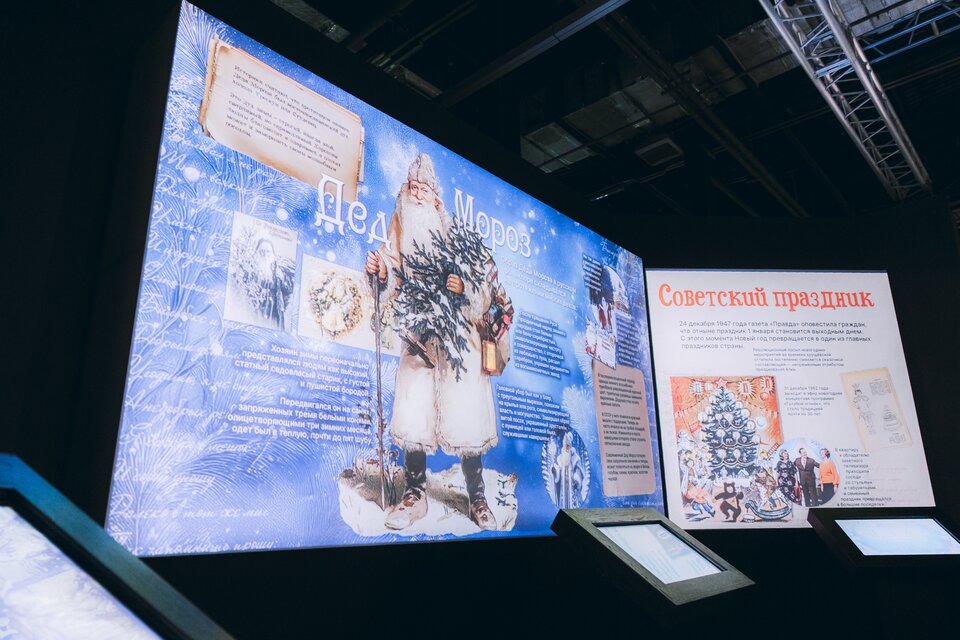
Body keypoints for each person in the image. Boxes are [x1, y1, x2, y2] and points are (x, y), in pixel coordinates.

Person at [366, 153, 512, 531]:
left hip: (459, 341)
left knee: (466, 417)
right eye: (412, 187)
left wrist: (464, 288)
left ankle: (477, 498)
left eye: (424, 189)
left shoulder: (456, 232)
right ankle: (414, 494)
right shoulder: (399, 225)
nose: (417, 194)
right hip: (419, 333)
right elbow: (390, 268)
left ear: (435, 195)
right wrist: (380, 273)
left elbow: (486, 284)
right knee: (414, 412)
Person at [551, 432, 585, 508]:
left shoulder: (575, 457)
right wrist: (555, 470)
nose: (566, 447)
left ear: (570, 445)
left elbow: (579, 471)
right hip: (563, 485)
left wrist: (576, 479)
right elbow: (558, 472)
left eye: (568, 445)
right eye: (565, 445)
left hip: (572, 485)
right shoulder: (560, 458)